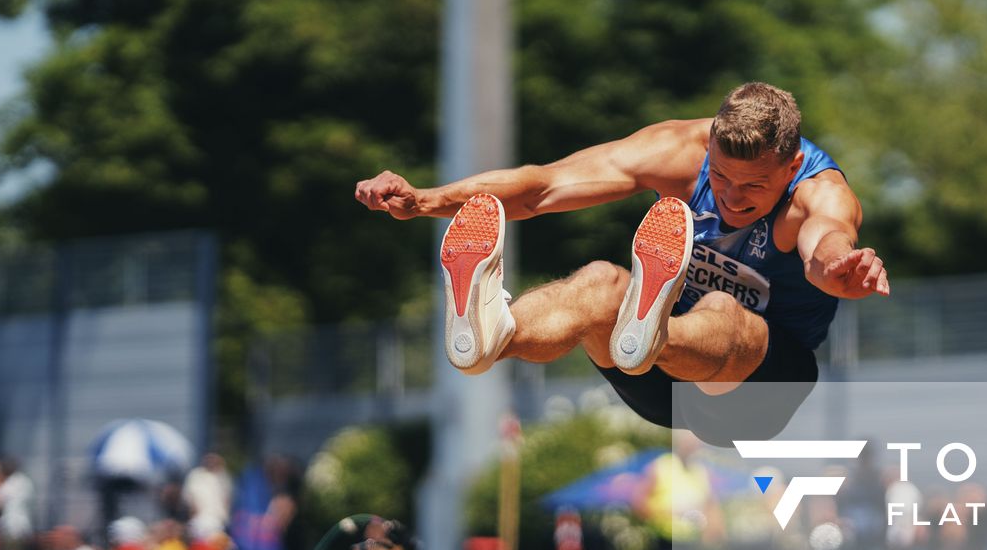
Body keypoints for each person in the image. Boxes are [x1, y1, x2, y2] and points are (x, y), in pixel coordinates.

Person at [355, 82, 890, 443]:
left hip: (759, 388)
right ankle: (493, 337)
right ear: (708, 147)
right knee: (598, 282)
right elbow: (545, 185)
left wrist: (844, 269)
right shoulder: (678, 151)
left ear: (791, 165)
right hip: (652, 378)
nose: (731, 197)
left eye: (755, 186)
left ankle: (654, 334)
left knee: (725, 310)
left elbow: (826, 246)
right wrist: (426, 200)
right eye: (722, 177)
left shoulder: (817, 193)